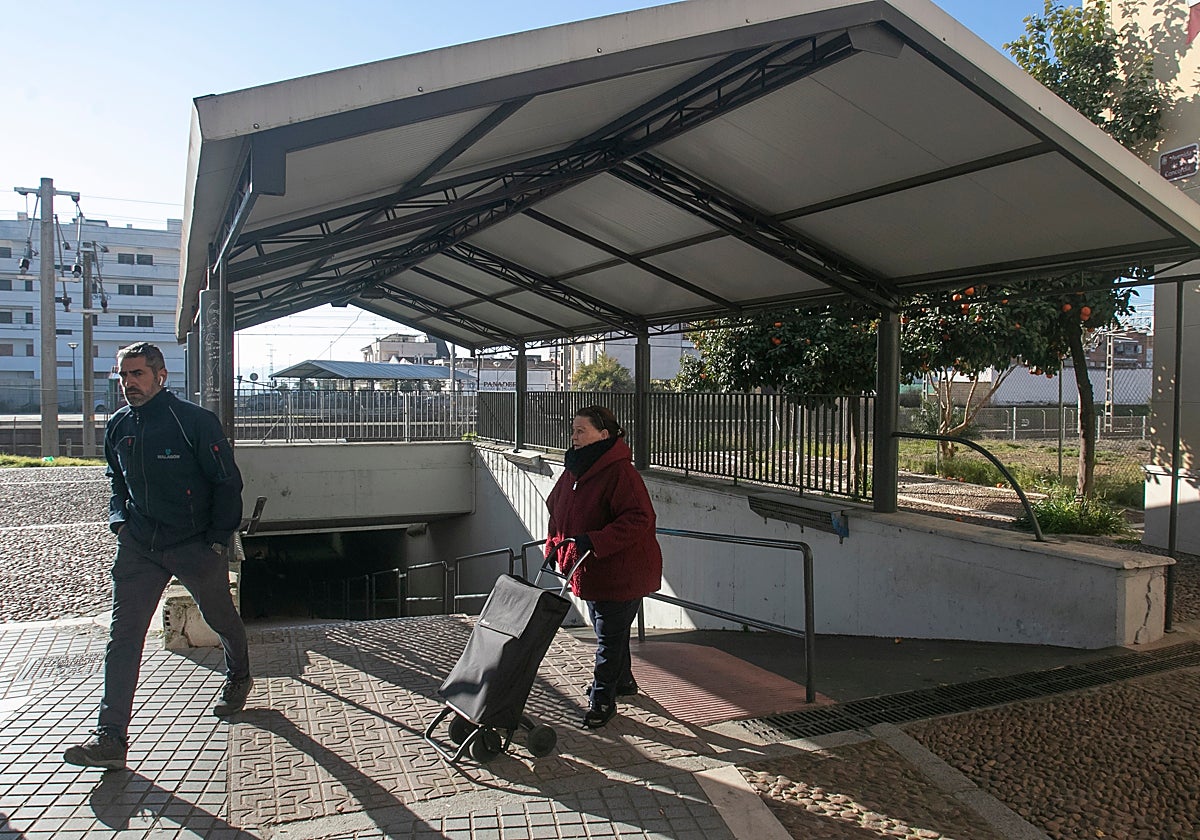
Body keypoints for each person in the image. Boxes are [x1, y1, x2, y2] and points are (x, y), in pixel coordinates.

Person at [64, 342, 253, 770]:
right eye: (123, 375)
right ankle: (110, 739)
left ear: (160, 375)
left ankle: (239, 676)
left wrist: (217, 540)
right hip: (138, 546)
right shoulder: (118, 426)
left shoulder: (194, 422)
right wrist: (119, 521)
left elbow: (227, 482)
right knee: (123, 637)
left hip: (194, 545)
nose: (129, 383)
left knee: (222, 618)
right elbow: (116, 478)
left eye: (137, 374)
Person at [545, 405, 662, 729]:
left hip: (620, 572)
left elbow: (640, 518)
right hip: (591, 570)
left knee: (608, 640)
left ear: (604, 435)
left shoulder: (620, 472)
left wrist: (594, 540)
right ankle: (623, 682)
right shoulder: (576, 469)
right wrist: (556, 544)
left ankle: (602, 700)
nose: (574, 437)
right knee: (609, 632)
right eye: (573, 430)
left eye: (581, 431)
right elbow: (556, 507)